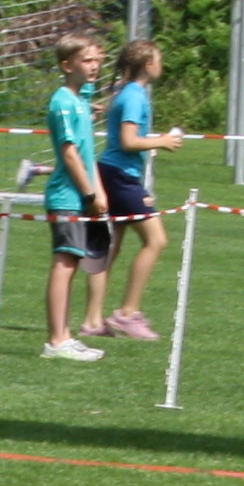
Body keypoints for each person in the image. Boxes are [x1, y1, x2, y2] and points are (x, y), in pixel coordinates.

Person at [89, 38, 181, 336]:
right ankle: (127, 313)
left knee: (111, 248)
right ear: (149, 65)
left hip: (114, 174)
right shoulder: (134, 96)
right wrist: (162, 141)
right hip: (120, 177)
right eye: (159, 59)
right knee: (156, 240)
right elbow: (128, 142)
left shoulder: (126, 92)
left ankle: (92, 320)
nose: (162, 65)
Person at [37, 35, 110, 361]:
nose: (95, 66)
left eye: (97, 60)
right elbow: (69, 155)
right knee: (64, 264)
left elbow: (88, 154)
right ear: (67, 66)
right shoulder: (63, 102)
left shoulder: (80, 99)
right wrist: (89, 193)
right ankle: (56, 341)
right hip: (67, 196)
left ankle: (65, 336)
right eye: (87, 61)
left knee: (73, 263)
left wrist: (99, 193)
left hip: (80, 196)